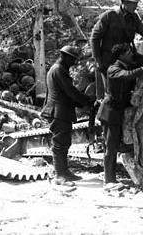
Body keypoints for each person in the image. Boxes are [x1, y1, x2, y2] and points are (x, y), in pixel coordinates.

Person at [98, 42, 143, 191]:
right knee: (110, 147)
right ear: (122, 55)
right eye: (129, 52)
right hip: (110, 112)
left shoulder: (127, 65)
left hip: (119, 112)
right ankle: (109, 181)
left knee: (120, 145)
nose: (132, 54)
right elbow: (128, 76)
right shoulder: (114, 69)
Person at [89, 0, 143, 99]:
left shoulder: (134, 18)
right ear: (123, 2)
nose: (135, 6)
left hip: (125, 58)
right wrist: (97, 59)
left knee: (126, 89)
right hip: (108, 60)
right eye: (133, 3)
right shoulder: (109, 16)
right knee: (109, 93)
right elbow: (94, 37)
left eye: (136, 4)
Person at [41, 45, 93, 186]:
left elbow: (66, 93)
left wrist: (82, 103)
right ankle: (59, 175)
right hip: (58, 112)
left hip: (61, 111)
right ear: (65, 56)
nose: (74, 63)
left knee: (64, 143)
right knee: (59, 144)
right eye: (73, 59)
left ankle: (65, 172)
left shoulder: (57, 69)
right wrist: (88, 101)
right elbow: (70, 92)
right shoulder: (59, 70)